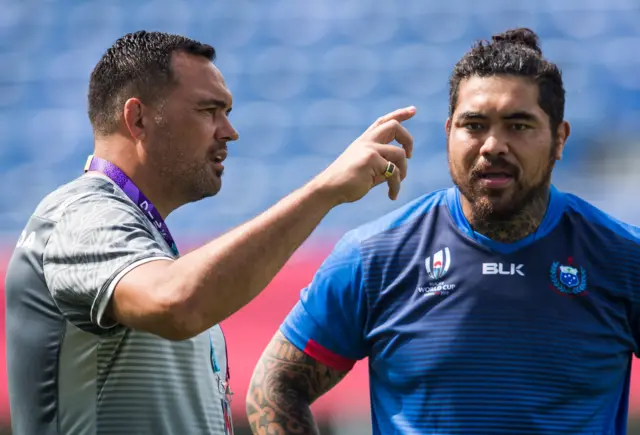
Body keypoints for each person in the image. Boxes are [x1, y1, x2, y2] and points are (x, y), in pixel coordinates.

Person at [4, 30, 416, 435]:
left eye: (227, 113)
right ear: (138, 118)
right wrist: (323, 190)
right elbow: (178, 304)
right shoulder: (80, 215)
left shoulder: (144, 239)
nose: (229, 131)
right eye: (208, 111)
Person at [247, 27, 640, 435]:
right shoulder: (377, 255)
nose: (492, 145)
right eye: (474, 125)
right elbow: (274, 386)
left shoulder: (622, 256)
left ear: (559, 139)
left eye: (518, 126)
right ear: (448, 132)